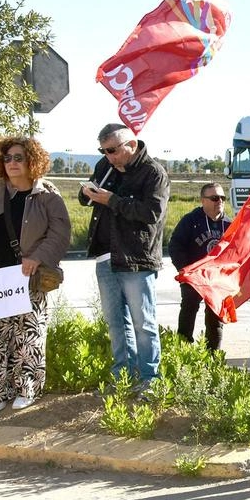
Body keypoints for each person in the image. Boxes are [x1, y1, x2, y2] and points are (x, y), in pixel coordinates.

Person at [0, 136, 71, 413]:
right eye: (7, 158)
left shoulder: (48, 195)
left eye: (18, 157)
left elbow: (60, 234)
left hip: (28, 279)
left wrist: (38, 257)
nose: (12, 163)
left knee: (28, 338)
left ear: (32, 161)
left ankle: (28, 389)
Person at [79, 123, 170, 389]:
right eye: (103, 150)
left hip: (136, 258)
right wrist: (87, 194)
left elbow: (152, 213)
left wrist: (112, 201)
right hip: (105, 256)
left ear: (131, 144)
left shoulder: (153, 173)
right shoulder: (104, 167)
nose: (108, 156)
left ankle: (150, 380)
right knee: (116, 323)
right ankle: (123, 378)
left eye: (112, 150)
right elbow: (89, 197)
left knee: (144, 323)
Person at [168, 182, 230, 351]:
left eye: (222, 198)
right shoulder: (190, 221)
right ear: (203, 200)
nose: (220, 201)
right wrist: (185, 270)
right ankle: (184, 351)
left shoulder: (229, 224)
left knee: (215, 318)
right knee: (189, 311)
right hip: (194, 278)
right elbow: (175, 246)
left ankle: (213, 356)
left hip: (216, 281)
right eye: (215, 198)